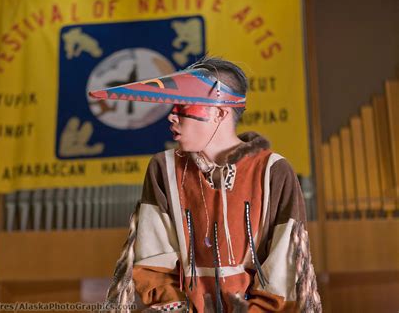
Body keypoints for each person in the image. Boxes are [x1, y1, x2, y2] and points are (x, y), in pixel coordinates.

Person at [90, 57, 321, 312]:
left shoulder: (274, 171)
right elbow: (153, 261)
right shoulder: (164, 169)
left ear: (220, 112)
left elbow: (284, 269)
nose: (171, 116)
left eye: (184, 106)